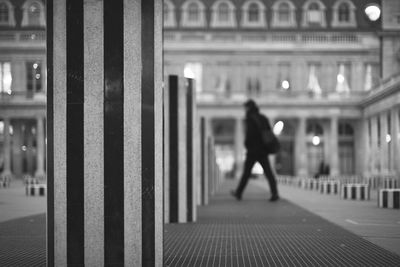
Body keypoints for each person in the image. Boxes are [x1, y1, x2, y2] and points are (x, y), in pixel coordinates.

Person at [231, 99, 279, 202]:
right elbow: (269, 132)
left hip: (253, 151)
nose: (244, 110)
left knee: (246, 173)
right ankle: (275, 193)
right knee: (269, 172)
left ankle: (239, 193)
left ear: (248, 108)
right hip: (263, 150)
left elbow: (250, 135)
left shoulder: (250, 118)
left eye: (245, 108)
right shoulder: (263, 118)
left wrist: (247, 145)